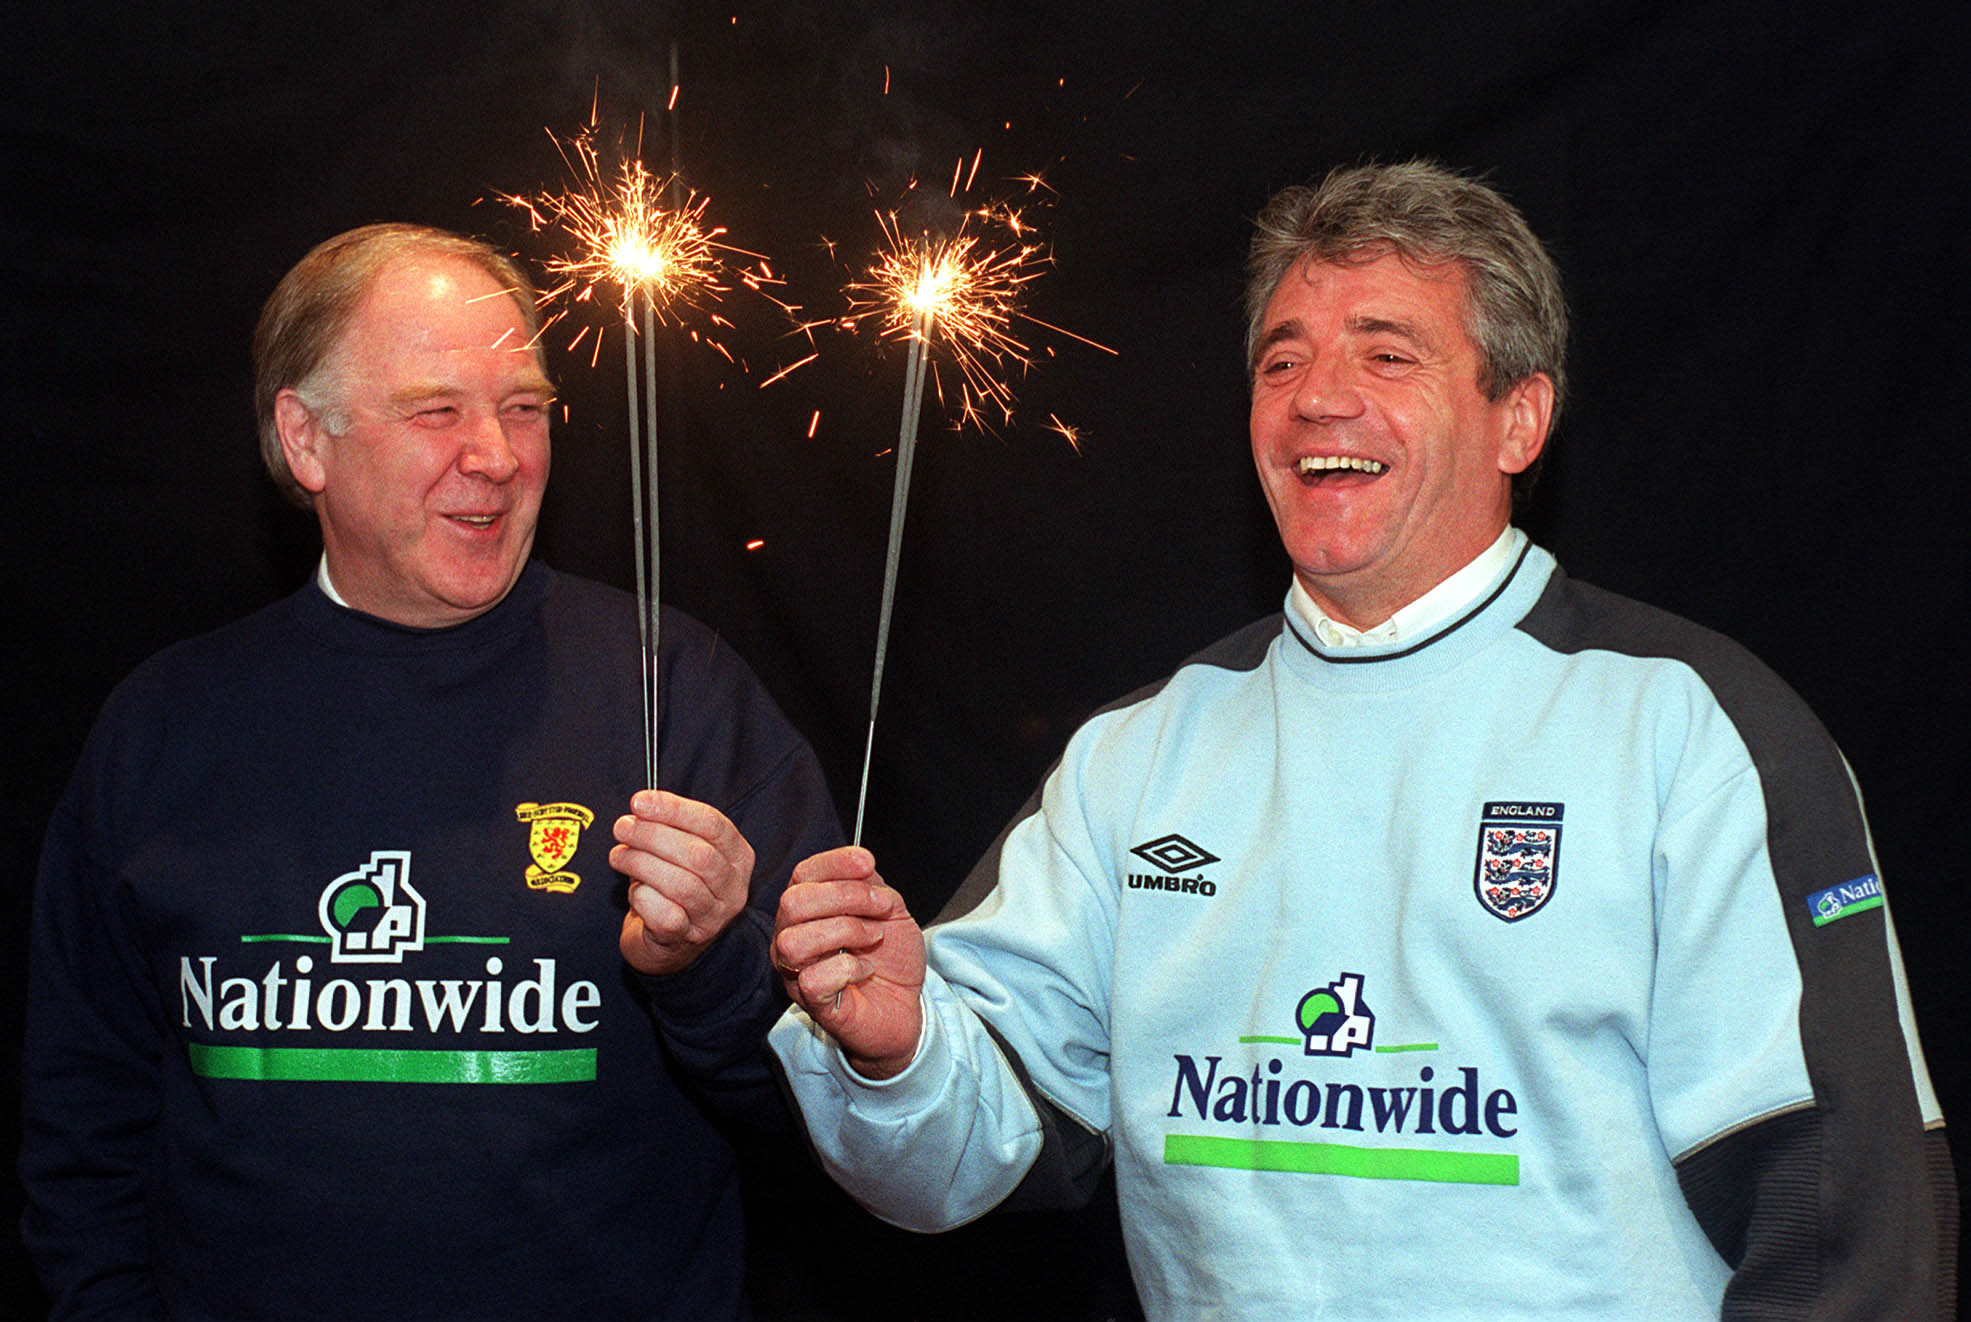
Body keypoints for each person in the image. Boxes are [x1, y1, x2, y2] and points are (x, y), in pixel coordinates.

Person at [766, 162, 1957, 1319]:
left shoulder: (1687, 729)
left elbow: (1845, 1221)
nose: (1316, 397)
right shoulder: (1144, 751)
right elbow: (959, 1159)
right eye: (1282, 360)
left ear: (1519, 419)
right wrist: (900, 1050)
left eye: (1387, 354)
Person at [20, 223, 841, 1320]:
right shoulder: (164, 725)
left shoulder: (674, 690)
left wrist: (702, 967)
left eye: (524, 406)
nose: (497, 455)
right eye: (436, 410)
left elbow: (840, 1115)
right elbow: (82, 1120)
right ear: (306, 440)